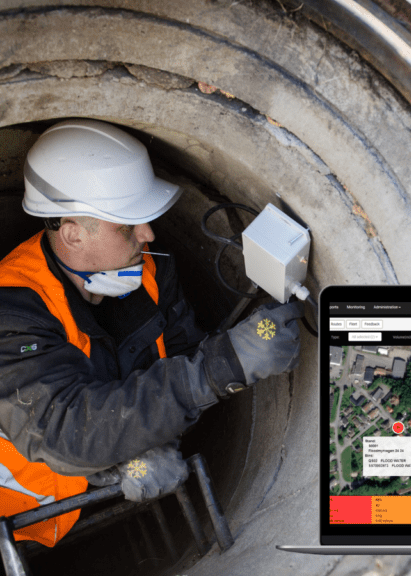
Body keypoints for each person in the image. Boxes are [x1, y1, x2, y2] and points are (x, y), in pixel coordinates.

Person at [0, 119, 304, 546]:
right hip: (27, 517)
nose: (149, 234)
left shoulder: (151, 271)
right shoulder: (11, 310)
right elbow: (63, 430)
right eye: (127, 226)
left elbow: (183, 357)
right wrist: (222, 367)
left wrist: (150, 437)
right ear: (72, 234)